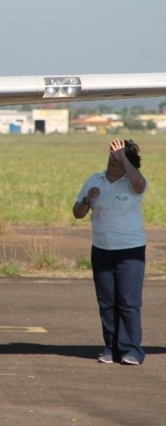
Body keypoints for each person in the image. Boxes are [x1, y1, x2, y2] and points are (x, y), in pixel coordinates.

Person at [73, 138, 147, 365]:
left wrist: (124, 158)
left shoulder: (132, 182)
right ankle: (110, 347)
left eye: (117, 159)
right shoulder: (95, 180)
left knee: (128, 302)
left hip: (130, 251)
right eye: (111, 158)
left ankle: (131, 349)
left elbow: (140, 184)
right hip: (102, 249)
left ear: (127, 163)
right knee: (107, 302)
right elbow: (77, 213)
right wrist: (87, 200)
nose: (111, 161)